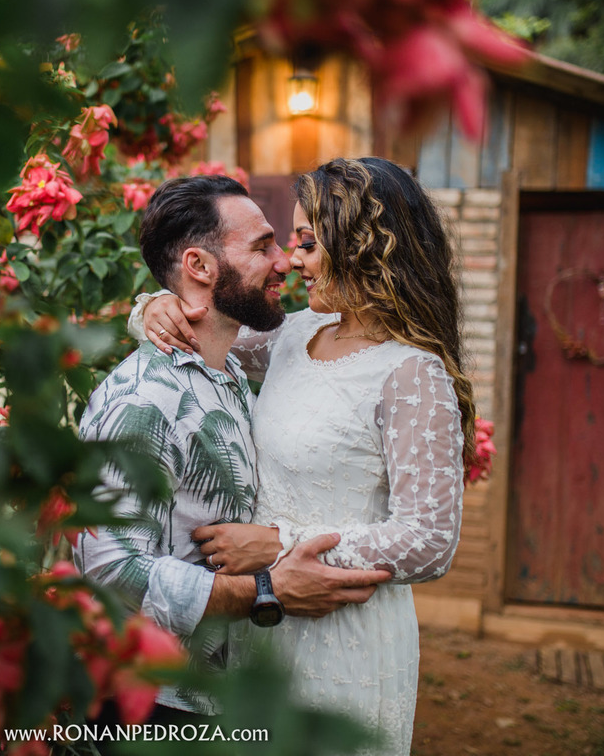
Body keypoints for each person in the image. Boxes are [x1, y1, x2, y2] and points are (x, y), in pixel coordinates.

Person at [134, 158, 474, 755]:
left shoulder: (412, 374)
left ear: (364, 247)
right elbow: (202, 327)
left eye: (310, 243)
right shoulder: (294, 336)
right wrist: (150, 309)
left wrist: (280, 544)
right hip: (262, 620)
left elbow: (430, 540)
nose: (293, 261)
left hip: (341, 634)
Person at [74, 174, 393, 726]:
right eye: (263, 247)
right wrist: (267, 590)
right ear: (199, 266)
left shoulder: (230, 378)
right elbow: (108, 566)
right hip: (152, 704)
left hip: (218, 695)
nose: (284, 262)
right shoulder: (144, 398)